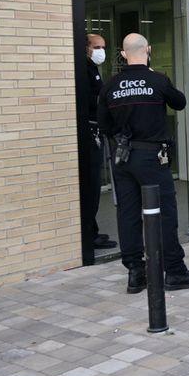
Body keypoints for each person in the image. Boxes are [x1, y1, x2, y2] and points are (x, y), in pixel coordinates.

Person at [97, 33, 189, 293]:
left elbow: (104, 125)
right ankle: (175, 271)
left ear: (123, 54)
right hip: (153, 158)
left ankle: (136, 273)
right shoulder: (157, 80)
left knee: (128, 214)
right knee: (165, 213)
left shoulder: (111, 85)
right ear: (149, 50)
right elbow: (179, 102)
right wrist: (156, 78)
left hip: (122, 159)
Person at [81, 34, 117, 251]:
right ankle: (88, 235)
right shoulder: (83, 69)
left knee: (94, 186)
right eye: (97, 47)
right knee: (91, 185)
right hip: (89, 132)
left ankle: (92, 231)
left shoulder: (92, 68)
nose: (101, 51)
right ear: (86, 47)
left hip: (96, 129)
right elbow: (89, 99)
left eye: (104, 46)